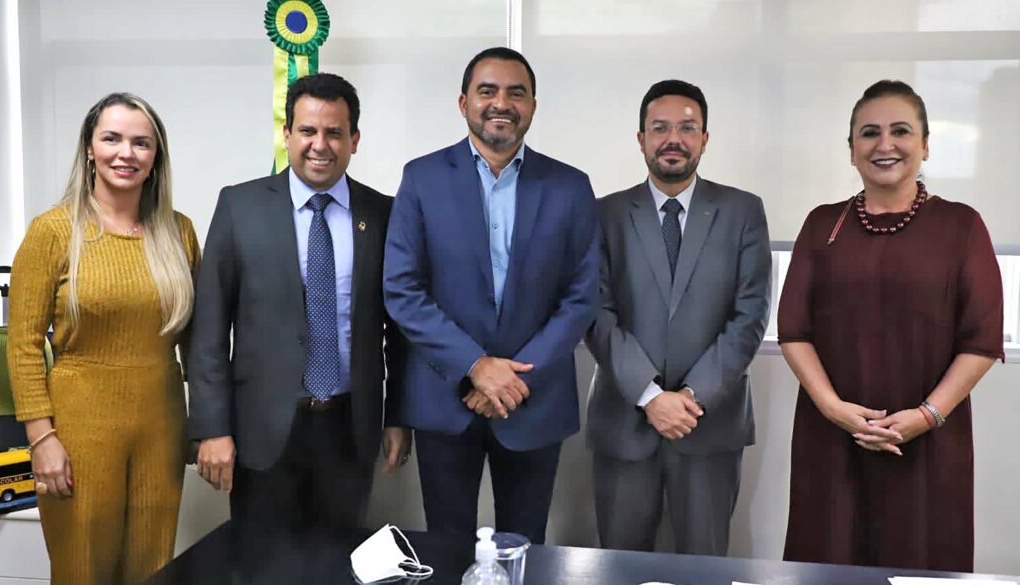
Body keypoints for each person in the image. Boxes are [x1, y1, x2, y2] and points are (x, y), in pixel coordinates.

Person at [778, 80, 1003, 571]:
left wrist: (925, 415)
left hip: (928, 443)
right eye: (869, 133)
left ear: (925, 145)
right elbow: (793, 330)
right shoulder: (822, 224)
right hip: (831, 437)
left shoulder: (962, 225)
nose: (885, 144)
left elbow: (982, 340)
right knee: (827, 562)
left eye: (900, 131)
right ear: (851, 150)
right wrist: (833, 409)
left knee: (920, 563)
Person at [383, 47, 599, 545]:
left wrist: (512, 379)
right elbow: (402, 289)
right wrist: (475, 366)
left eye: (515, 93)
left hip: (533, 400)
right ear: (464, 103)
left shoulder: (570, 187)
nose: (501, 103)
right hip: (445, 399)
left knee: (524, 548)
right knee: (446, 548)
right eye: (487, 91)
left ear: (533, 106)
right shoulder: (422, 178)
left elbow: (582, 296)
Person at [187, 73, 409, 545]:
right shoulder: (239, 207)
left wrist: (397, 416)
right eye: (307, 131)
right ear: (287, 134)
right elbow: (209, 329)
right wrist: (211, 427)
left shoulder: (383, 213)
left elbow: (400, 331)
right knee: (262, 566)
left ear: (355, 140)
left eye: (334, 132)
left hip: (350, 430)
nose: (319, 145)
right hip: (261, 433)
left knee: (339, 562)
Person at [7, 93, 199, 584]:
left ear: (156, 156)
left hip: (161, 428)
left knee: (153, 568)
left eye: (141, 143)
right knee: (82, 570)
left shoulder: (179, 233)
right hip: (77, 431)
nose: (126, 153)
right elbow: (23, 345)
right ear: (90, 148)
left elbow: (197, 343)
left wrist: (207, 423)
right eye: (112, 139)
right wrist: (41, 440)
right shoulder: (53, 232)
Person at [585, 79, 771, 555]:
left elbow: (750, 316)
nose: (674, 139)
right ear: (641, 138)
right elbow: (596, 312)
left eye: (687, 128)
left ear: (705, 138)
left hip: (709, 423)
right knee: (620, 566)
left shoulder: (743, 211)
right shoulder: (603, 214)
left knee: (704, 567)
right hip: (625, 421)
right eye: (660, 128)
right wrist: (650, 397)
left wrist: (688, 398)